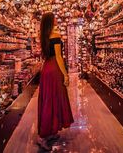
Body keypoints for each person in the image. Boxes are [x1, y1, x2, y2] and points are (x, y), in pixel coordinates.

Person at [37, 12, 74, 151]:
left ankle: (49, 132)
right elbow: (58, 57)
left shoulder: (43, 35)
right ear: (51, 21)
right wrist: (65, 74)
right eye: (55, 18)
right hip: (54, 69)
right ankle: (44, 136)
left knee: (48, 99)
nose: (57, 20)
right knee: (54, 99)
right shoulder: (56, 34)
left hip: (46, 68)